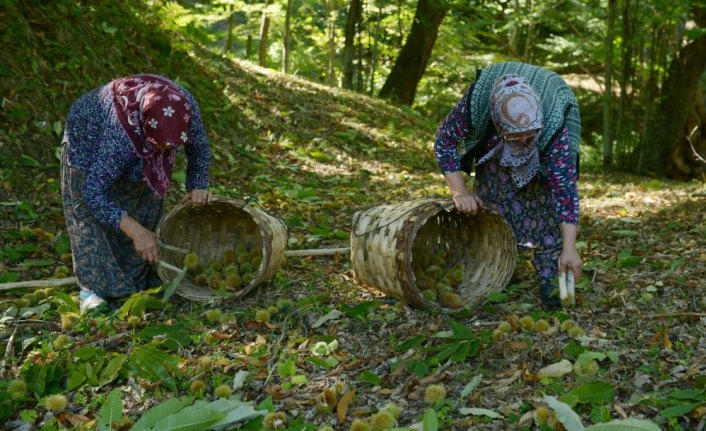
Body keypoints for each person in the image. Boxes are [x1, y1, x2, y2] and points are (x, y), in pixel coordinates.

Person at [434, 61, 582, 309]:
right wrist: (460, 190)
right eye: (516, 138)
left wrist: (570, 248)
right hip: (496, 130)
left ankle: (551, 269)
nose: (525, 143)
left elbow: (564, 190)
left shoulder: (554, 127)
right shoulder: (477, 104)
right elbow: (444, 142)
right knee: (495, 194)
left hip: (550, 110)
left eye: (530, 137)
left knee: (544, 195)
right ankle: (499, 260)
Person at [61, 74, 212, 313]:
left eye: (173, 146)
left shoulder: (185, 109)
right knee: (91, 215)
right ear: (145, 130)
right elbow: (93, 193)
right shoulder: (120, 135)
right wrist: (134, 230)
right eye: (162, 146)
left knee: (147, 205)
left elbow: (199, 147)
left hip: (136, 135)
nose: (168, 151)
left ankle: (137, 283)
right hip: (89, 140)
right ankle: (94, 290)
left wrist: (198, 184)